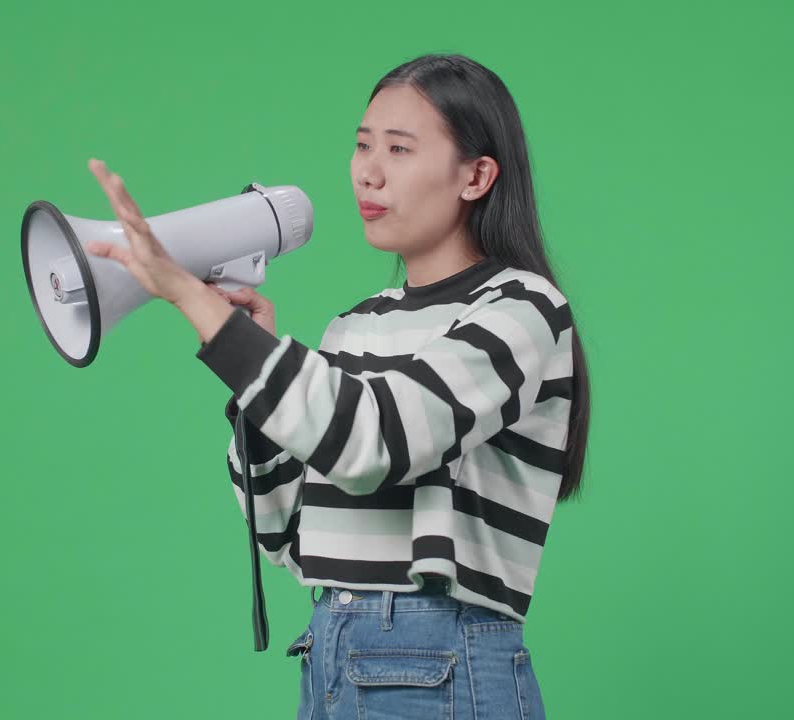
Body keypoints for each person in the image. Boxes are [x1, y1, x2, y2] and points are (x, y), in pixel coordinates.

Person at [85, 51, 591, 720]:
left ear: (476, 175)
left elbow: (375, 441)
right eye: (361, 145)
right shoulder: (354, 327)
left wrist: (194, 302)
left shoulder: (522, 308)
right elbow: (287, 533)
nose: (368, 172)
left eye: (399, 149)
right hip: (331, 652)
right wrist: (253, 366)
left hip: (438, 659)